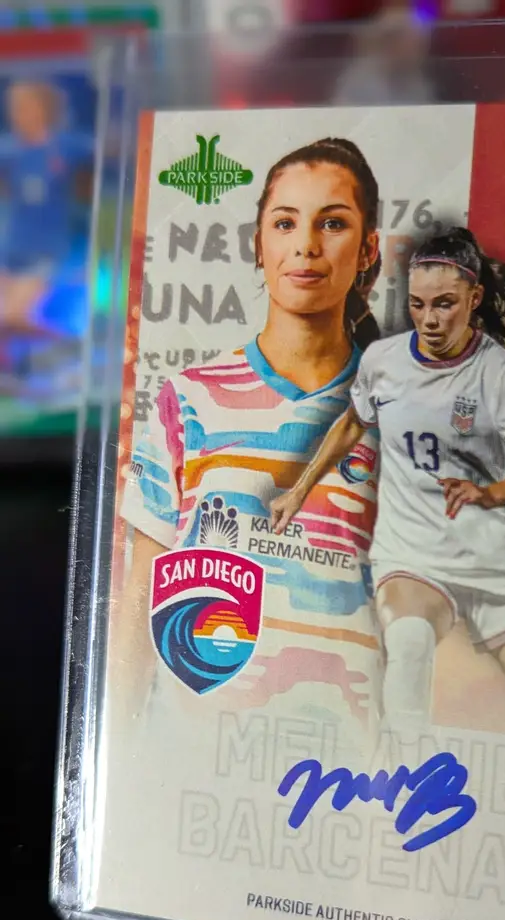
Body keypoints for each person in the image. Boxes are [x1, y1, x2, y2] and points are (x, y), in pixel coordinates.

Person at [271, 226, 505, 751]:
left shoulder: (499, 372)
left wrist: (492, 493)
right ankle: (403, 784)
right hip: (411, 554)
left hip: (489, 558)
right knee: (408, 641)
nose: (430, 319)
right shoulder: (384, 361)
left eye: (445, 304)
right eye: (418, 305)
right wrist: (299, 489)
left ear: (474, 298)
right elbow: (353, 423)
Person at [114, 137, 383, 735]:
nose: (306, 245)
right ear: (258, 245)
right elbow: (142, 592)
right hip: (193, 747)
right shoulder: (188, 398)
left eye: (332, 223)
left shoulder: (398, 411)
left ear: (368, 248)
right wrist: (118, 750)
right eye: (285, 223)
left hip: (345, 760)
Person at [0, 81, 93, 343]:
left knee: (12, 317)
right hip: (13, 248)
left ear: (45, 108)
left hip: (52, 252)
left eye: (25, 106)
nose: (18, 113)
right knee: (7, 319)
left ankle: (71, 347)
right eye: (14, 107)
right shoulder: (10, 151)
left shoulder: (71, 149)